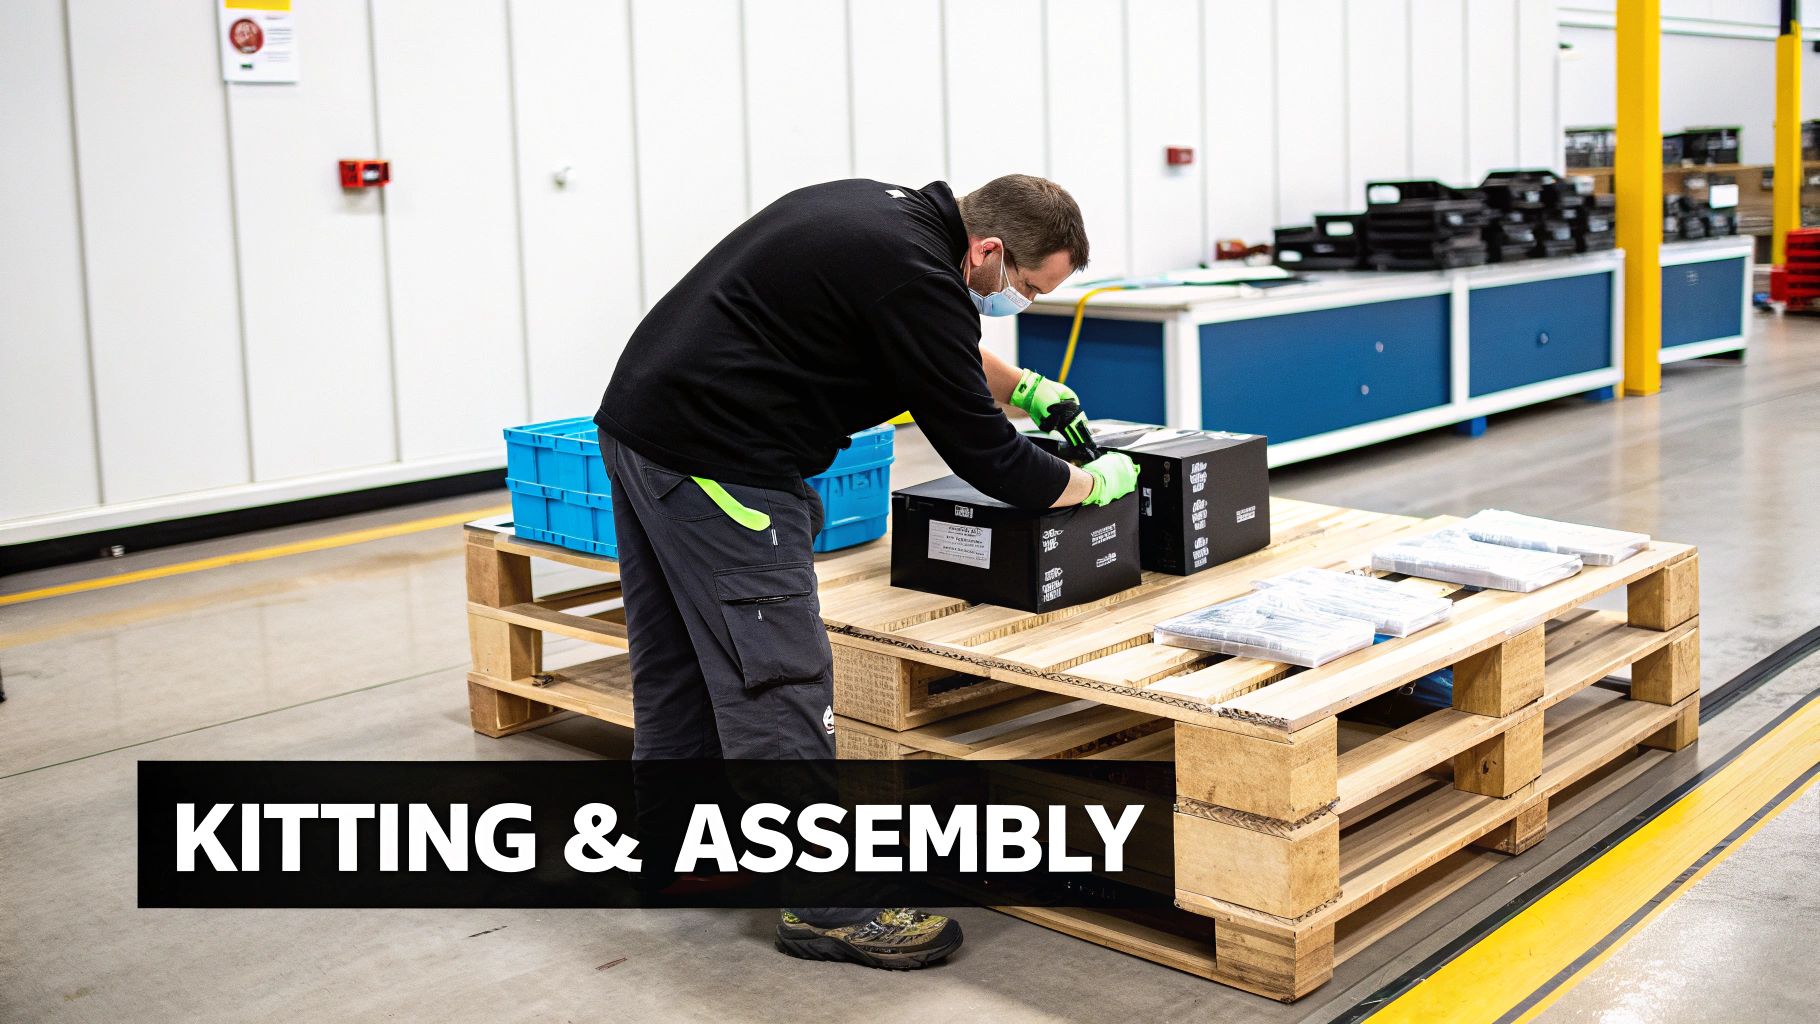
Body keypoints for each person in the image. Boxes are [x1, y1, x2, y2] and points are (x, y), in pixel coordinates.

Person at [592, 174, 1139, 970]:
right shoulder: (918, 276)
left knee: (680, 661)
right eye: (1024, 287)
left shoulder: (888, 219)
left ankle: (675, 852)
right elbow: (988, 458)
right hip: (721, 464)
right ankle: (829, 906)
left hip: (646, 433)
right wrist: (1093, 485)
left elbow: (928, 343)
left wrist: (1022, 387)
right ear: (987, 250)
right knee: (778, 679)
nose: (1020, 302)